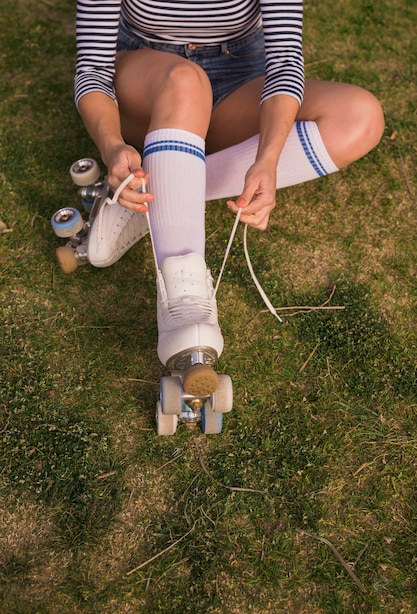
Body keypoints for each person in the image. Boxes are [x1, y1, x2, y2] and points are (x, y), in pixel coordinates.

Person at [74, 0, 384, 397]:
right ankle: (183, 300)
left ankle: (159, 195)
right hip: (148, 81)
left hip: (239, 79)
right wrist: (112, 145)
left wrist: (268, 158)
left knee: (360, 117)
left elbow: (286, 62)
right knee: (185, 81)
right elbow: (93, 70)